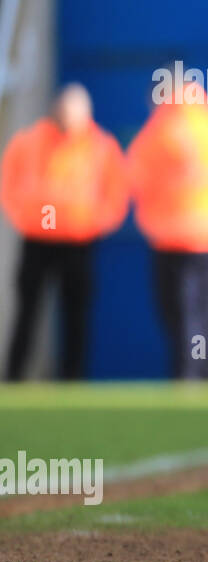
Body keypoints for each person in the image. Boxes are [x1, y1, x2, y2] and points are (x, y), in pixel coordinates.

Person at [1, 83, 128, 379]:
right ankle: (14, 376)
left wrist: (92, 222)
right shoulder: (30, 142)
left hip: (77, 241)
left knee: (76, 314)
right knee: (28, 312)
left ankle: (72, 379)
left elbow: (116, 193)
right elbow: (10, 183)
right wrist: (26, 218)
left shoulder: (101, 146)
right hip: (38, 239)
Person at [126, 78, 208, 379]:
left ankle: (189, 372)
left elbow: (137, 175)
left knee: (182, 312)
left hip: (176, 234)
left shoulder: (164, 128)